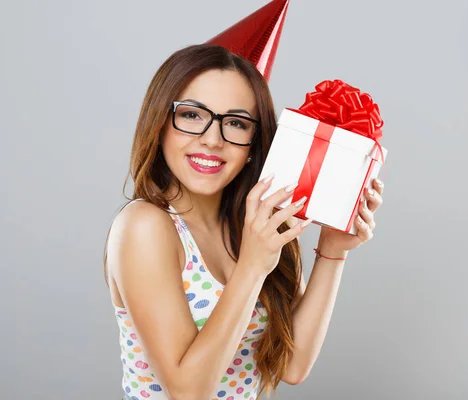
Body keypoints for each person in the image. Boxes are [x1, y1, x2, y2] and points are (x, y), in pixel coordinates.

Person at [104, 43, 384, 400]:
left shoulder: (256, 225)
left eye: (235, 123)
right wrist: (251, 266)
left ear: (254, 141)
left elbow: (293, 366)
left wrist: (332, 248)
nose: (212, 139)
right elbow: (188, 392)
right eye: (191, 115)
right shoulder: (144, 226)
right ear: (160, 123)